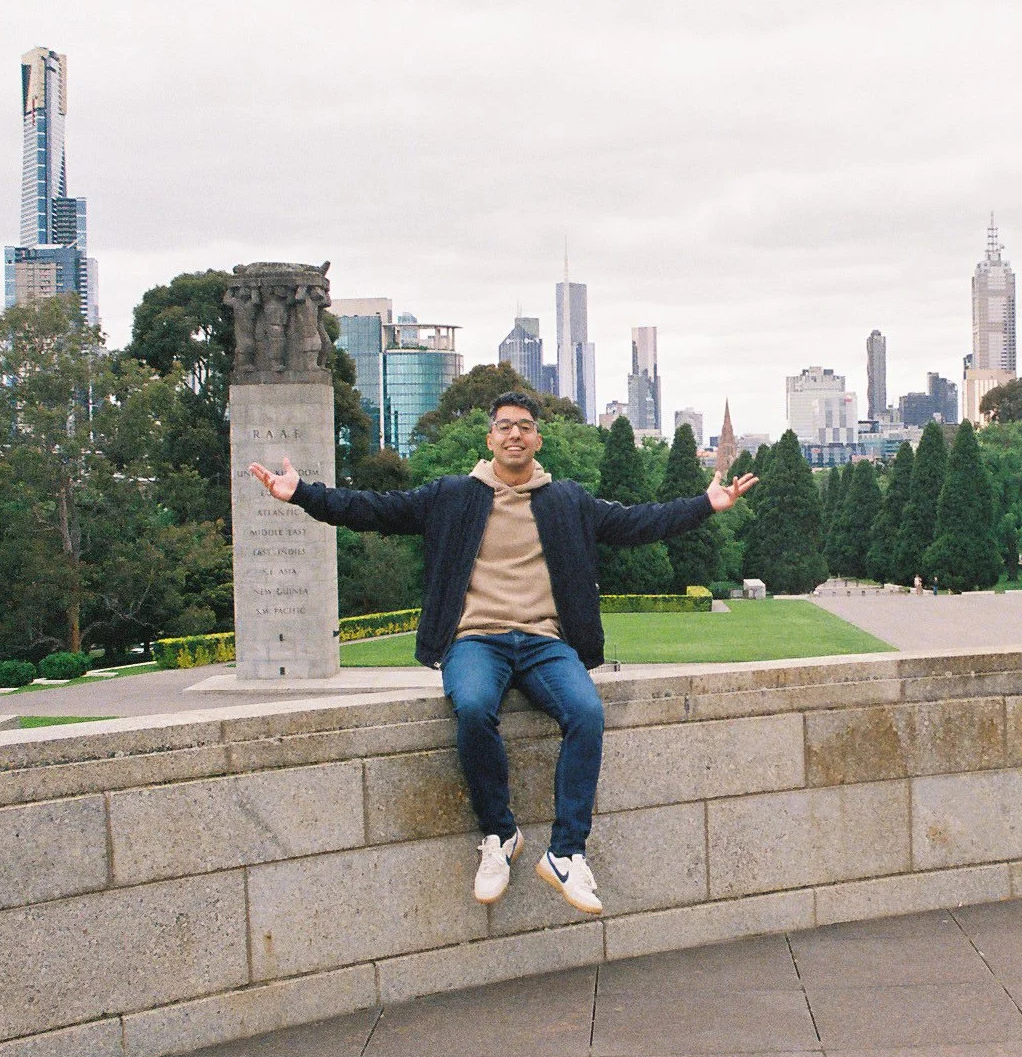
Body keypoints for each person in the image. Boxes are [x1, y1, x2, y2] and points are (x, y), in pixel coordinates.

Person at [248, 391, 756, 915]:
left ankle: (566, 853)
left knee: (586, 713)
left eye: (525, 426)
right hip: (476, 640)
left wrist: (705, 505)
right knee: (471, 707)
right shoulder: (452, 496)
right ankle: (500, 834)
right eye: (505, 426)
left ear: (537, 439)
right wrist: (302, 494)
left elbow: (636, 523)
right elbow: (375, 508)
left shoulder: (566, 501)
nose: (515, 434)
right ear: (490, 438)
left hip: (545, 643)